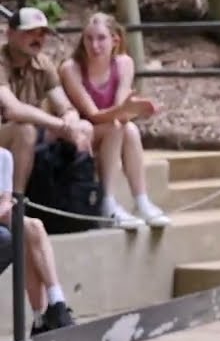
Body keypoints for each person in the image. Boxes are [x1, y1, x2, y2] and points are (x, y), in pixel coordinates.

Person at [57, 12, 169, 229]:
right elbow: (92, 114)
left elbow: (120, 110)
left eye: (101, 38)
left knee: (130, 130)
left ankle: (142, 200)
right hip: (79, 134)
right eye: (89, 39)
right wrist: (125, 110)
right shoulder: (70, 69)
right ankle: (107, 202)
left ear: (115, 40)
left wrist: (135, 110)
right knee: (116, 127)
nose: (94, 45)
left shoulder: (124, 63)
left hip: (109, 130)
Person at [0, 6, 94, 194]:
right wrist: (60, 125)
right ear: (10, 34)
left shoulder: (43, 63)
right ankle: (16, 207)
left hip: (30, 132)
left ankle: (81, 200)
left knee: (84, 128)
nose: (38, 39)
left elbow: (64, 105)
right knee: (25, 131)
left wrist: (70, 119)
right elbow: (13, 110)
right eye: (30, 32)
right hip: (8, 130)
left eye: (42, 33)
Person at [0, 147, 75, 334]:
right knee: (11, 235)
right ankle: (42, 320)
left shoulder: (4, 157)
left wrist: (6, 208)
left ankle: (52, 308)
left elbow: (5, 202)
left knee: (33, 228)